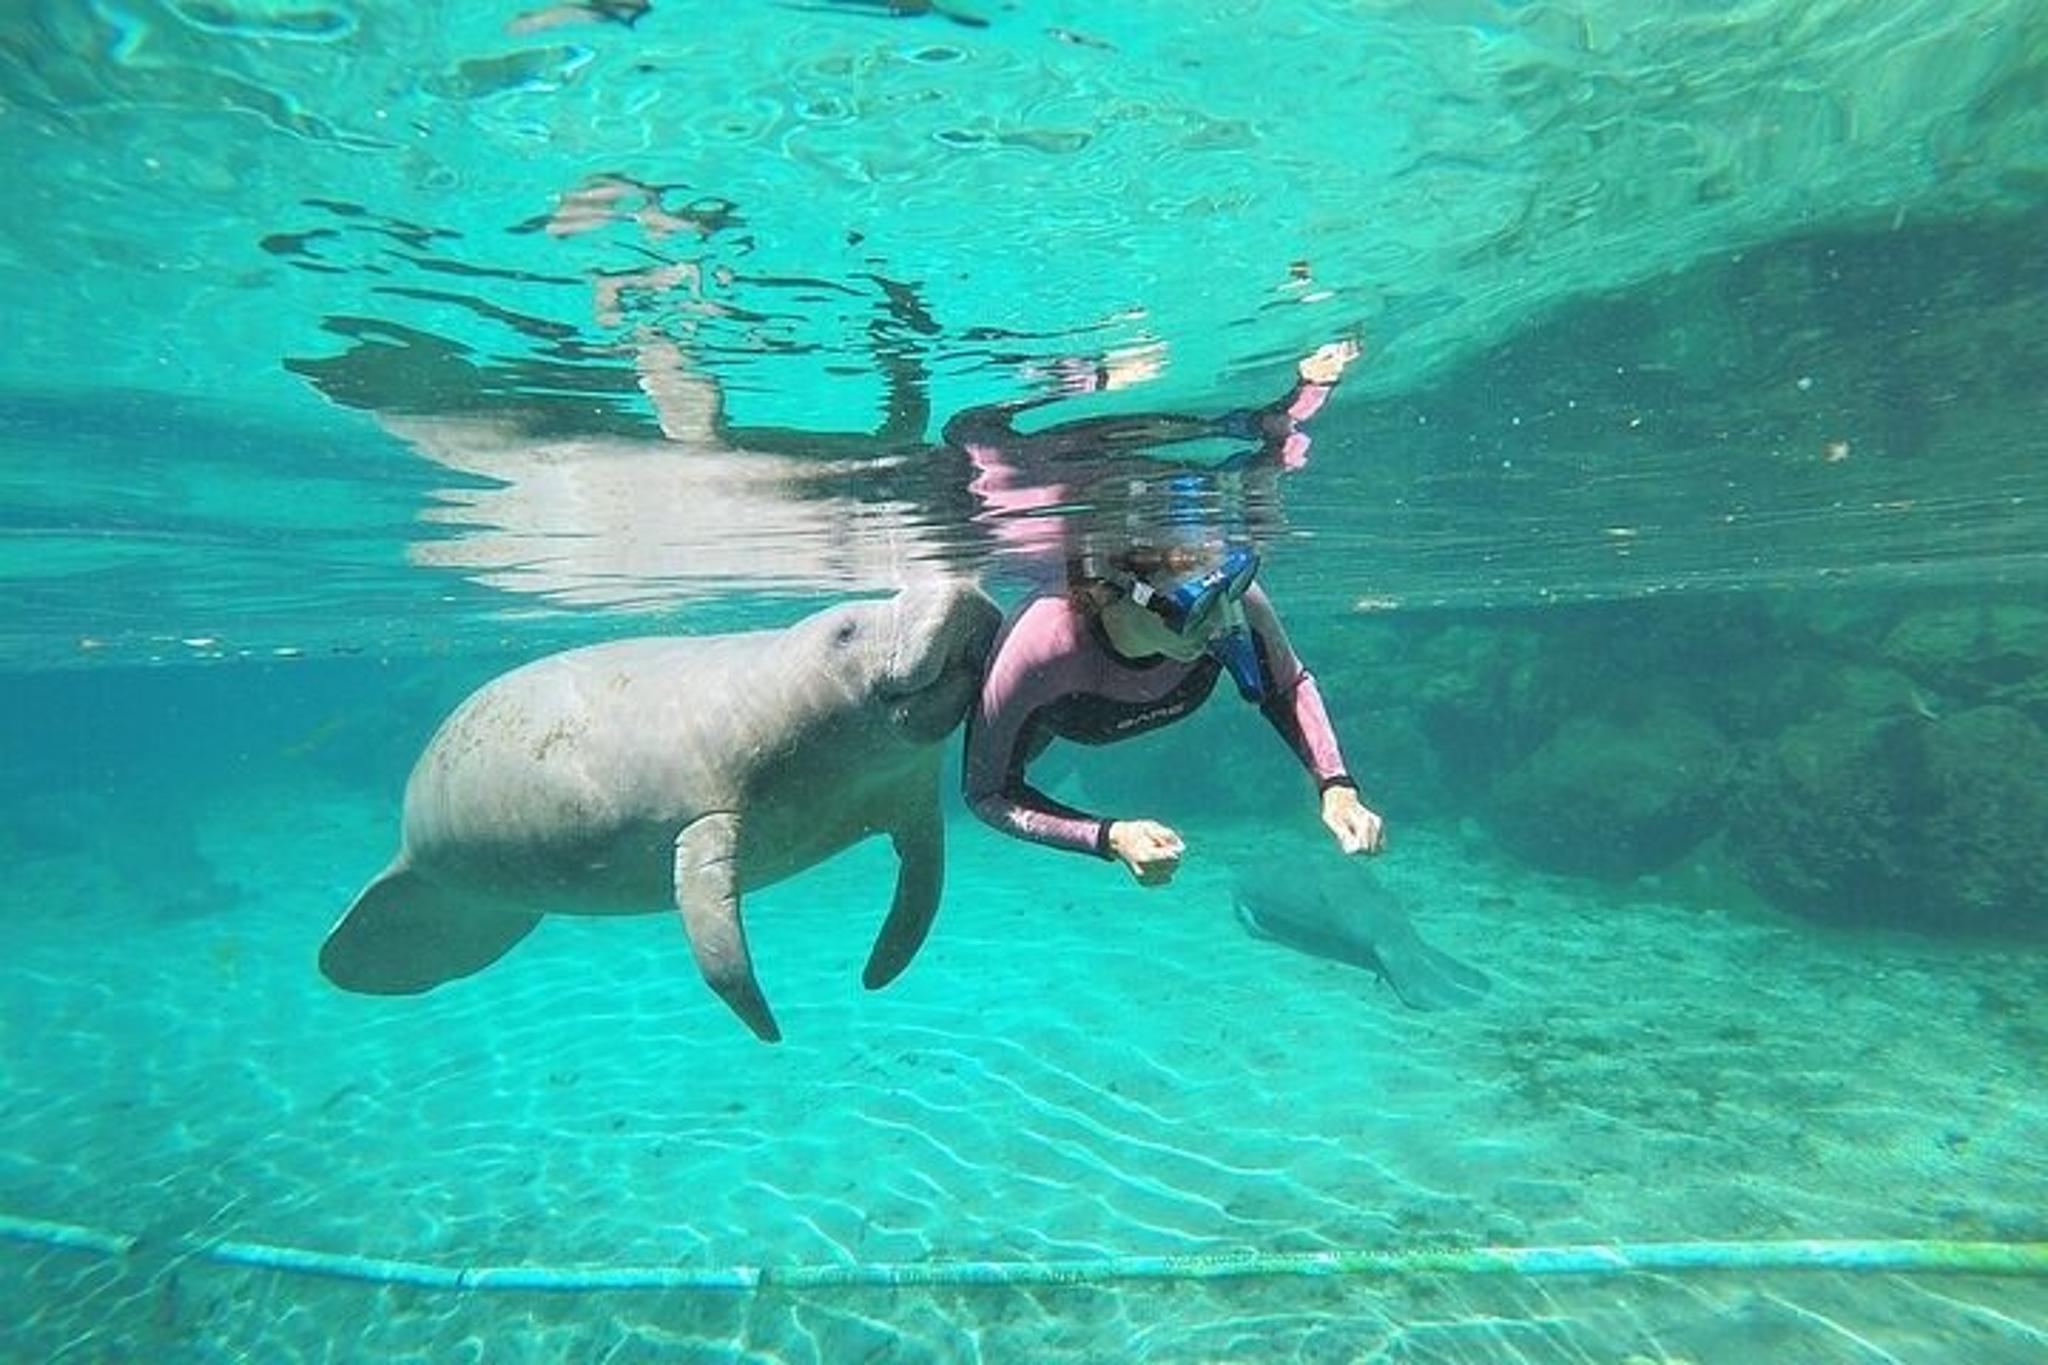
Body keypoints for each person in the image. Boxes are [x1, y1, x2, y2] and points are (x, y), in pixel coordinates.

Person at [961, 342, 1383, 887]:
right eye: (1195, 608)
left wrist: (1337, 787)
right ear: (1115, 590)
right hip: (1063, 719)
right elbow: (986, 792)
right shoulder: (1044, 644)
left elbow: (1288, 685)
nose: (1222, 624)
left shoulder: (1231, 601)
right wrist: (1107, 836)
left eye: (1229, 589)